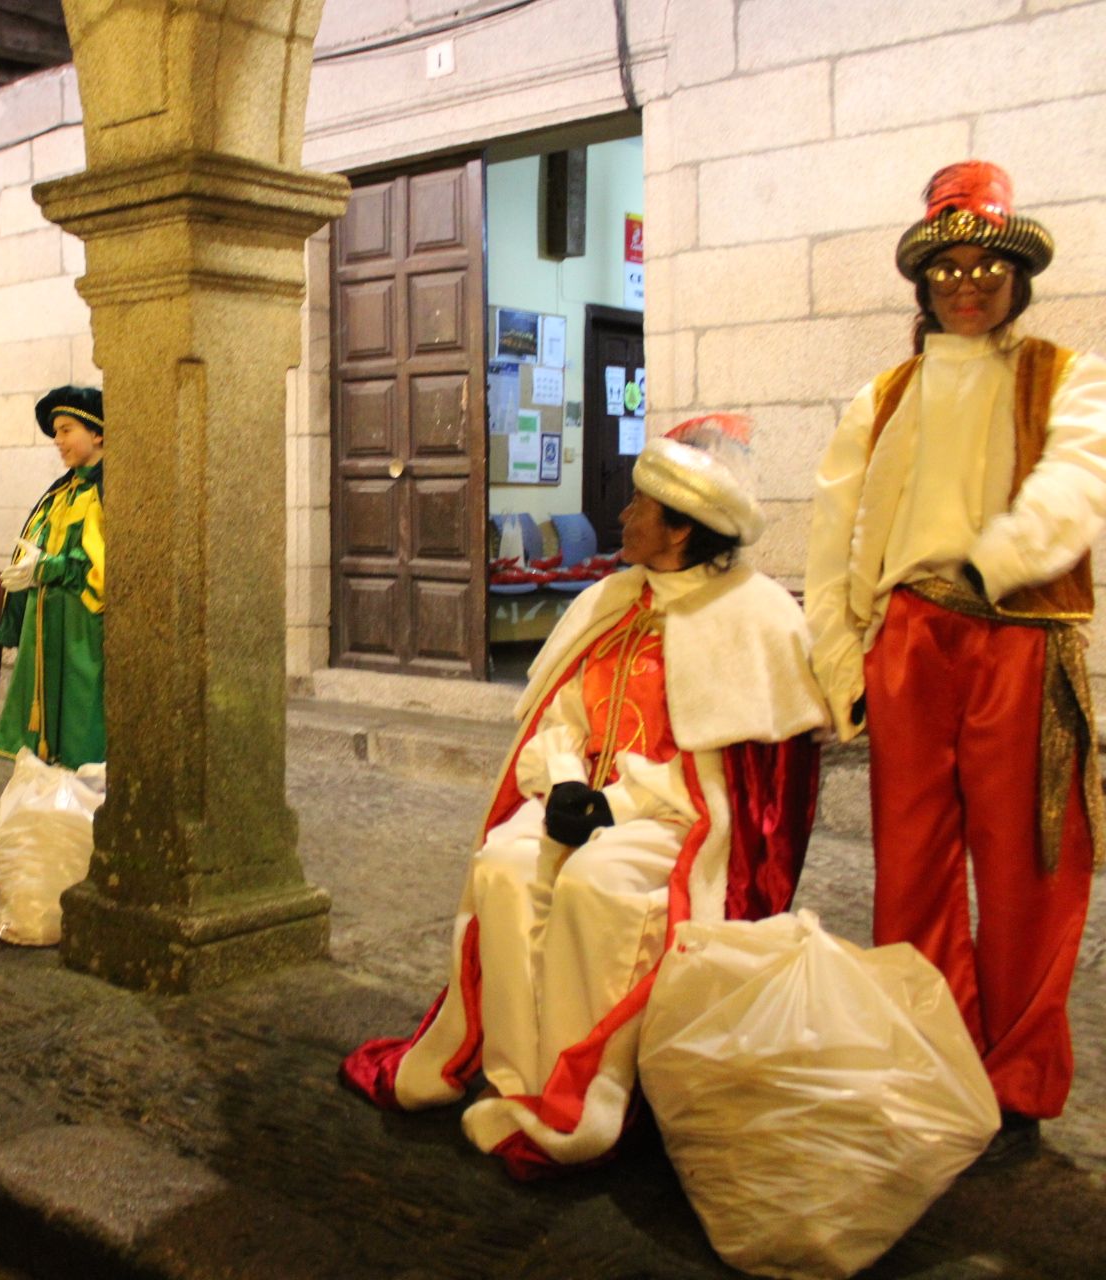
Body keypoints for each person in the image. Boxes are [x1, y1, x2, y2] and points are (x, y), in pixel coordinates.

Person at [342, 418, 828, 1176]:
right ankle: (517, 1079)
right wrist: (567, 783)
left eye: (639, 507)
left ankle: (589, 1094)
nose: (624, 518)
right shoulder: (609, 599)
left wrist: (618, 807)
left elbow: (729, 775)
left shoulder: (754, 616)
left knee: (598, 889)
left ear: (681, 530)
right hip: (583, 797)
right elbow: (560, 713)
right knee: (504, 865)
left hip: (674, 822)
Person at [804, 161, 1106, 1162]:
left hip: (1020, 639)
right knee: (912, 865)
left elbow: (1078, 484)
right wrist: (845, 659)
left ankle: (1017, 1076)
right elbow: (835, 529)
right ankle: (928, 1048)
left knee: (1029, 868)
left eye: (986, 266)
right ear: (924, 285)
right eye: (948, 270)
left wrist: (996, 559)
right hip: (911, 640)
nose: (967, 284)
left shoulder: (1069, 374)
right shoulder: (882, 392)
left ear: (1015, 275)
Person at [0, 385, 107, 890]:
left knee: (80, 745)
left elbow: (106, 570)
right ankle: (19, 850)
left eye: (67, 430)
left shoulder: (106, 492)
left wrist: (47, 567)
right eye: (56, 433)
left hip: (83, 642)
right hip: (46, 637)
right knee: (35, 745)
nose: (59, 441)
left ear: (98, 431)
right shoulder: (60, 492)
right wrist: (24, 571)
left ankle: (74, 854)